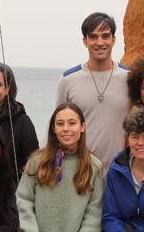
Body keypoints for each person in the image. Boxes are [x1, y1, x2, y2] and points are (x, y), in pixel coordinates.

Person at [17, 103, 105, 232]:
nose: (66, 128)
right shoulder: (38, 160)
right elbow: (23, 199)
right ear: (54, 129)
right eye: (60, 124)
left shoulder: (94, 166)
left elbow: (94, 214)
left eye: (72, 123)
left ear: (82, 127)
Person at [55, 12, 130, 171]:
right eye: (93, 37)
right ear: (85, 41)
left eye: (105, 36)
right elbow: (57, 126)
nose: (100, 42)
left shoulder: (129, 77)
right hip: (79, 171)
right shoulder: (68, 79)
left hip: (120, 172)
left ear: (113, 40)